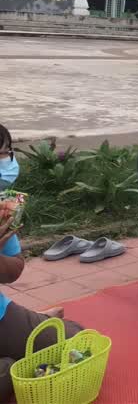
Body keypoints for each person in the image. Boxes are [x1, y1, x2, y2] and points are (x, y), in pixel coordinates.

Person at [1, 125, 84, 401]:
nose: (5, 164)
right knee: (8, 375)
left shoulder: (3, 207)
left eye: (5, 154)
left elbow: (13, 269)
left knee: (75, 340)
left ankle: (38, 323)